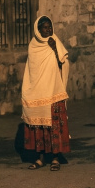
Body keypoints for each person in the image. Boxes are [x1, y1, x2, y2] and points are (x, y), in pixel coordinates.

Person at [22, 15, 70, 171]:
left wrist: (55, 48)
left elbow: (63, 62)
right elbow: (32, 70)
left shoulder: (55, 42)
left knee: (53, 126)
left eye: (50, 27)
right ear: (38, 29)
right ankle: (39, 159)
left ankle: (55, 158)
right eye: (45, 27)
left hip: (53, 90)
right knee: (38, 127)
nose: (48, 30)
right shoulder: (33, 46)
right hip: (37, 91)